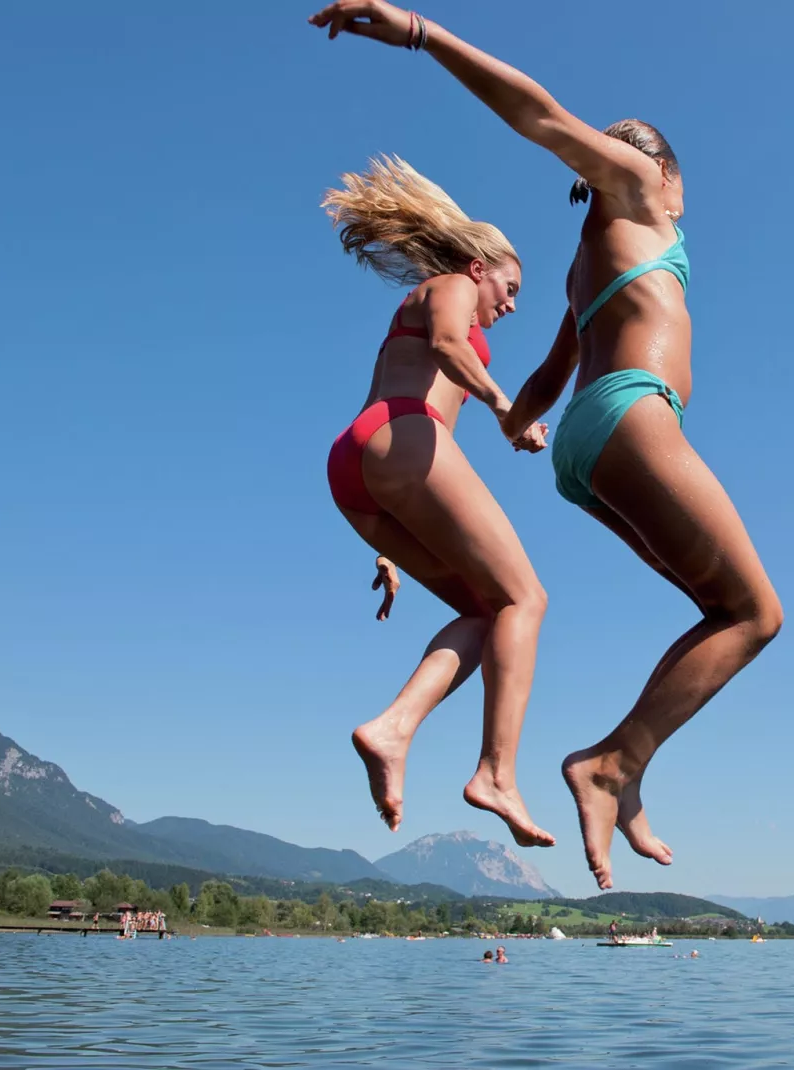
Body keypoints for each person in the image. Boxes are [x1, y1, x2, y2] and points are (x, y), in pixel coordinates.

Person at [310, 1, 784, 890]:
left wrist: (513, 417)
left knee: (717, 612)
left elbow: (545, 381)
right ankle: (609, 766)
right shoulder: (642, 193)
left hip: (585, 441)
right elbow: (542, 116)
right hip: (634, 417)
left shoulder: (581, 266)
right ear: (663, 173)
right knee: (758, 614)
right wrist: (422, 32)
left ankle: (622, 777)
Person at [320, 151, 555, 848]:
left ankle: (392, 730)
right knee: (526, 601)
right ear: (480, 268)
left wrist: (389, 547)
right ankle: (497, 774)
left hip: (366, 465)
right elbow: (453, 346)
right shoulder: (451, 286)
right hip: (400, 437)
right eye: (509, 288)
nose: (511, 304)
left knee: (489, 616)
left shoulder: (428, 305)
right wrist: (506, 407)